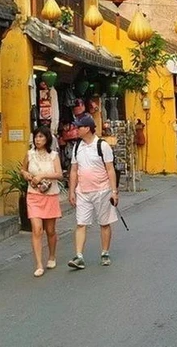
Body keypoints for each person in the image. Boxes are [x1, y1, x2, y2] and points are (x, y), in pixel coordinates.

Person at [67, 115, 118, 269]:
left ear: (87, 129)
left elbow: (110, 170)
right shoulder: (77, 147)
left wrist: (114, 191)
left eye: (79, 127)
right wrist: (72, 191)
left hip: (102, 191)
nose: (76, 130)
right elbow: (74, 171)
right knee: (81, 223)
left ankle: (105, 253)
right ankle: (79, 256)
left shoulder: (102, 146)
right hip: (83, 192)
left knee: (104, 223)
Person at [21, 126, 63, 277]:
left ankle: (51, 256)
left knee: (50, 230)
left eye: (41, 137)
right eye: (36, 137)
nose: (38, 140)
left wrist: (43, 175)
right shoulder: (29, 154)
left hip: (50, 195)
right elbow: (23, 169)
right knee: (37, 229)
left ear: (47, 139)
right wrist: (26, 175)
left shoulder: (54, 156)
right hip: (34, 195)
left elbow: (59, 174)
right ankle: (39, 264)